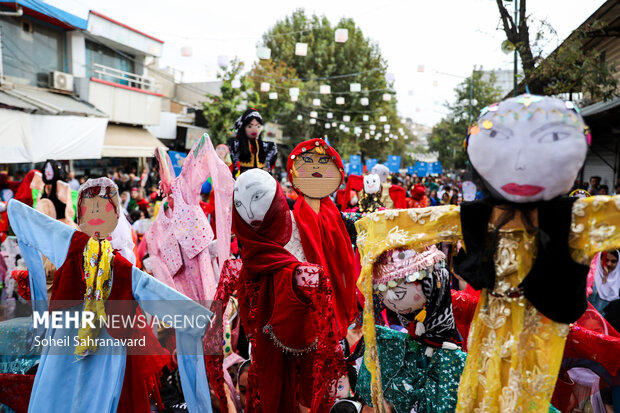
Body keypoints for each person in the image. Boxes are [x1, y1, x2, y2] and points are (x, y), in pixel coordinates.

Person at [227, 108, 278, 176]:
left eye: (258, 126)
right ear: (243, 127)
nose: (255, 129)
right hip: (240, 180)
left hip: (260, 181)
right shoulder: (234, 145)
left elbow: (270, 165)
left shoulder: (267, 147)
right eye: (250, 126)